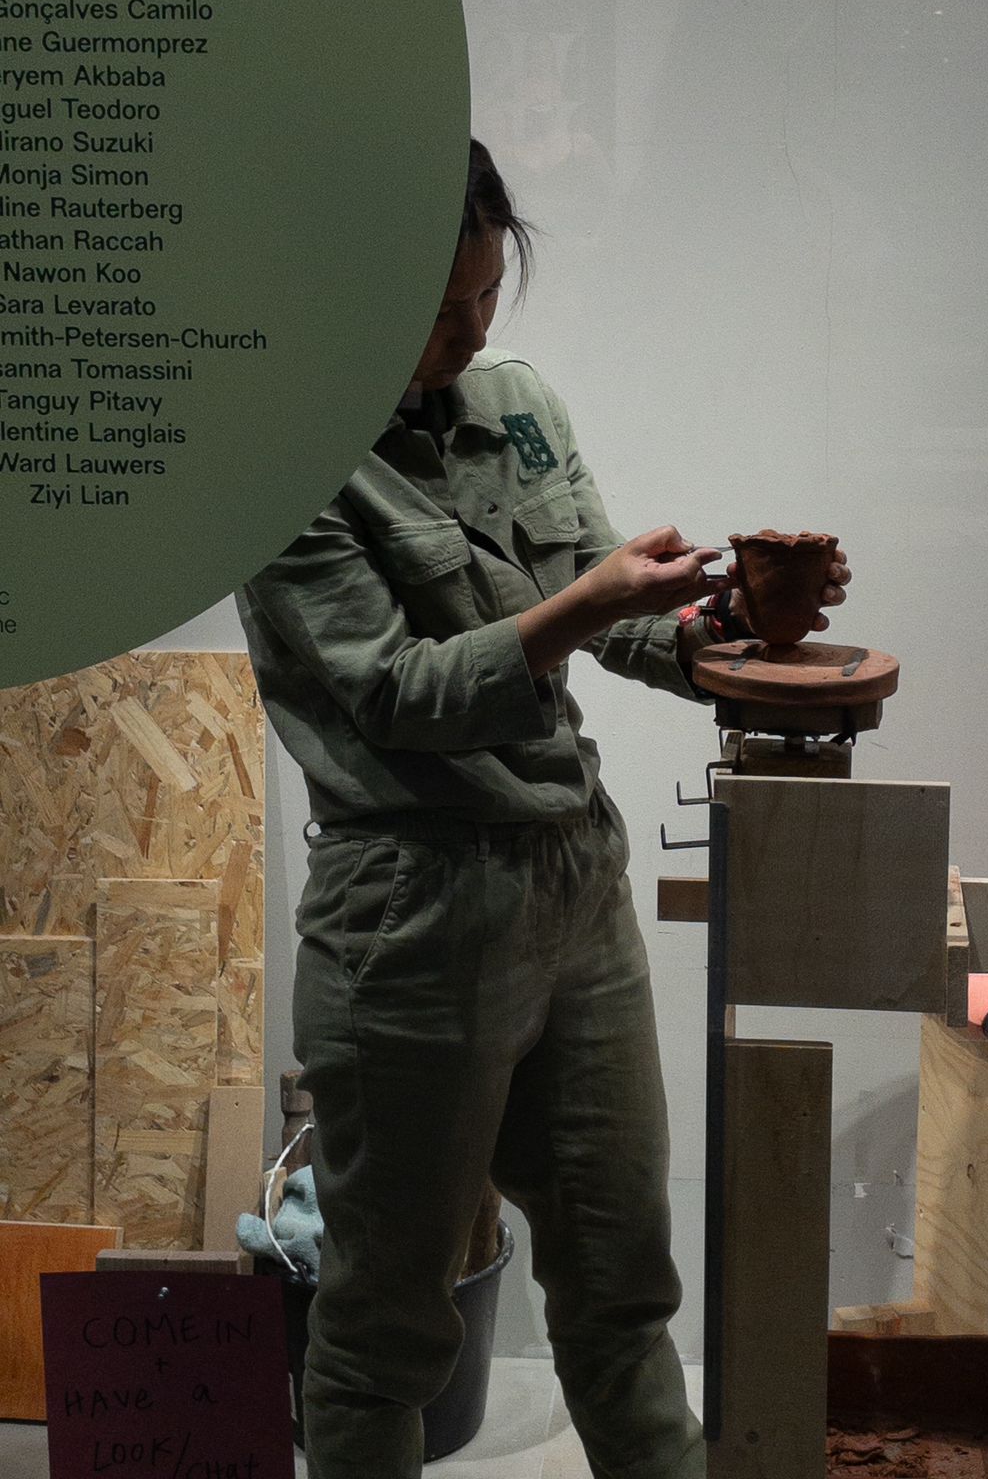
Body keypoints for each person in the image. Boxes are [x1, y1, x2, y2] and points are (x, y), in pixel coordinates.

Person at [237, 139, 849, 1479]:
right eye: (438, 310)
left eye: (486, 294)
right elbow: (397, 695)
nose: (472, 331)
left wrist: (721, 625)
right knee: (386, 1329)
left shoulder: (516, 401)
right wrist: (586, 605)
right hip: (411, 911)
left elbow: (604, 611)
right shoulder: (282, 462)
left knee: (625, 1286)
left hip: (574, 877)